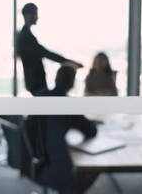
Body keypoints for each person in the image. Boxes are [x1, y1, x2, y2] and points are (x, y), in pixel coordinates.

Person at [28, 65, 98, 193]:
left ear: (55, 79)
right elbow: (91, 131)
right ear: (71, 84)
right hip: (54, 164)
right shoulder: (68, 104)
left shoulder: (40, 95)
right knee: (94, 165)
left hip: (32, 160)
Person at [17, 3, 83, 96]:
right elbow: (46, 53)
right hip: (36, 82)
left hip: (35, 83)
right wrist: (70, 62)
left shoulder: (26, 36)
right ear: (27, 15)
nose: (37, 17)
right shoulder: (26, 37)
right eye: (35, 14)